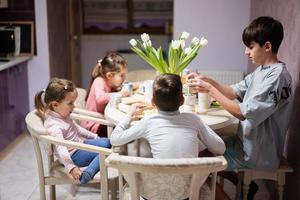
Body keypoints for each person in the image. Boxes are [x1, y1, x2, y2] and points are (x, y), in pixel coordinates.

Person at [187, 16, 293, 176]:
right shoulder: (262, 70)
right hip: (244, 143)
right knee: (199, 147)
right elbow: (232, 91)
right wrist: (207, 81)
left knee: (198, 163)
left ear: (267, 46)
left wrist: (210, 90)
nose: (246, 52)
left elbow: (243, 113)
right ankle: (231, 182)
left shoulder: (276, 77)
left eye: (250, 47)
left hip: (257, 154)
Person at [110, 73, 225, 158]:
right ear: (182, 101)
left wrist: (129, 114)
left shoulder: (148, 122)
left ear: (153, 103)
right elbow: (221, 148)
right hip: (191, 187)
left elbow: (114, 140)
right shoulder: (194, 120)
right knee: (203, 149)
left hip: (158, 187)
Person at [35, 78, 111, 184]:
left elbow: (77, 129)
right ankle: (88, 174)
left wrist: (95, 137)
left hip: (80, 144)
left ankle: (102, 149)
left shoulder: (62, 115)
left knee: (108, 142)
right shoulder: (54, 126)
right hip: (74, 156)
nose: (74, 106)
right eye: (70, 103)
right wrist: (71, 167)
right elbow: (61, 148)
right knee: (106, 154)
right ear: (55, 105)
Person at [82, 52, 130, 137]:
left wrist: (119, 89)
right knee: (123, 127)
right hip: (94, 125)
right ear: (109, 75)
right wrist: (119, 94)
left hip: (102, 120)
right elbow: (100, 98)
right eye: (121, 75)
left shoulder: (109, 83)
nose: (124, 78)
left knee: (124, 127)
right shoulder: (99, 81)